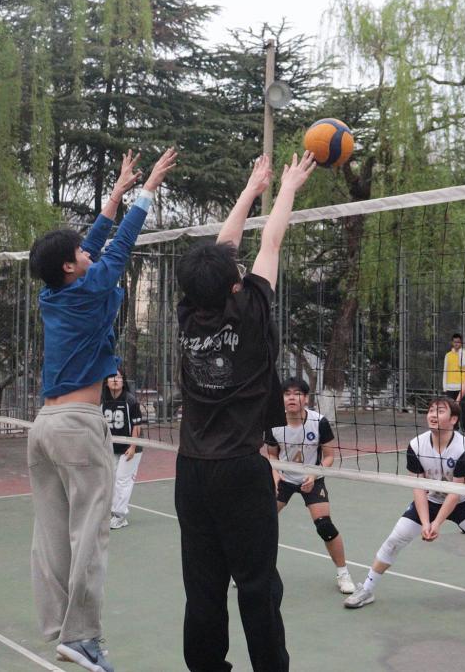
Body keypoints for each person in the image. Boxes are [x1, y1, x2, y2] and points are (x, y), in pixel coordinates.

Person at [27, 147, 177, 672]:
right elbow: (119, 248)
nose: (87, 253)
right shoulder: (91, 288)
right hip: (77, 425)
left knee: (51, 535)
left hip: (43, 427)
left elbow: (91, 248)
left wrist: (114, 193)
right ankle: (82, 636)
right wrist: (147, 190)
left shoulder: (55, 293)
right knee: (90, 531)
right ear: (71, 267)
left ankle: (59, 628)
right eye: (79, 253)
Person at [174, 152, 315, 672]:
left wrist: (252, 188)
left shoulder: (188, 315)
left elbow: (222, 249)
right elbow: (270, 243)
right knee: (257, 586)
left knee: (203, 586)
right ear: (235, 284)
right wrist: (287, 187)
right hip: (239, 469)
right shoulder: (251, 312)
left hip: (191, 469)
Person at [343, 397, 465, 618]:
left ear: (454, 419)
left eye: (440, 411)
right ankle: (367, 589)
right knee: (395, 538)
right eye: (431, 410)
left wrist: (436, 524)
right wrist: (426, 523)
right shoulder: (416, 445)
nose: (433, 415)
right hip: (430, 500)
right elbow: (418, 487)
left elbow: (455, 493)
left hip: (462, 501)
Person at [265, 377, 355, 594]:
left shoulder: (319, 422)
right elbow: (271, 455)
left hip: (312, 477)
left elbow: (329, 456)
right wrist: (275, 475)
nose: (291, 398)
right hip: (284, 478)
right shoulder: (273, 423)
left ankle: (343, 573)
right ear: (281, 399)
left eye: (297, 394)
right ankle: (252, 571)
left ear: (305, 398)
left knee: (325, 526)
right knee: (261, 524)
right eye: (287, 394)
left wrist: (313, 475)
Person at [101, 370, 144, 530]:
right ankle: (111, 513)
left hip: (131, 447)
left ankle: (119, 516)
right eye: (111, 377)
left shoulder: (130, 400)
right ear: (106, 382)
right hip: (111, 448)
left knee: (122, 480)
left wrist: (132, 446)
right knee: (110, 480)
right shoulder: (102, 400)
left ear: (123, 381)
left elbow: (137, 426)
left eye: (118, 377)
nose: (115, 380)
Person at [441, 333, 465, 403]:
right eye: (454, 342)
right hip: (450, 387)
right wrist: (444, 387)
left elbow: (461, 364)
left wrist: (459, 352)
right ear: (452, 343)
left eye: (458, 342)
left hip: (462, 387)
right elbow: (445, 371)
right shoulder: (448, 355)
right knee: (451, 407)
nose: (456, 344)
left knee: (462, 407)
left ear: (461, 343)